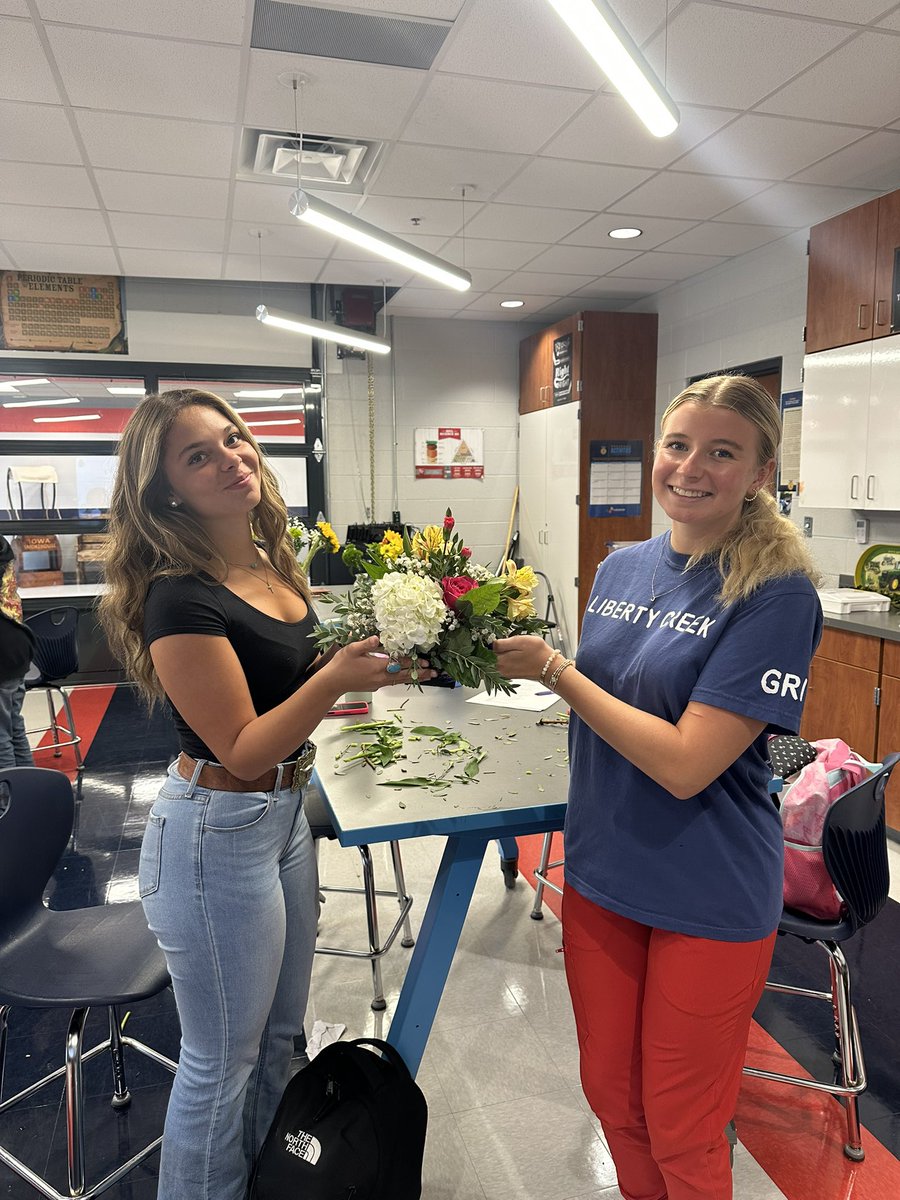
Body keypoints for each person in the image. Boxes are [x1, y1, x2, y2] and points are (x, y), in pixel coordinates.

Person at [98, 388, 434, 1200]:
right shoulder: (180, 594)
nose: (230, 459)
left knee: (278, 1039)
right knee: (221, 1061)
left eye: (232, 439)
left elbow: (292, 686)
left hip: (280, 814)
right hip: (214, 829)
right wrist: (335, 679)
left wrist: (378, 663)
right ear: (166, 490)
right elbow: (242, 745)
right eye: (198, 456)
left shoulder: (269, 563)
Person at [494, 375, 823, 1200]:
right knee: (613, 1095)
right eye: (678, 445)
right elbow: (613, 707)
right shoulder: (621, 566)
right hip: (605, 871)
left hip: (705, 888)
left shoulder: (777, 595)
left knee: (683, 1122)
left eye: (722, 452)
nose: (691, 467)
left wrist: (555, 672)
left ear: (760, 472)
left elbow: (685, 763)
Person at [0, 535, 35, 769]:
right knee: (14, 727)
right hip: (17, 644)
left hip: (3, 652)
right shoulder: (3, 548)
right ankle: (27, 785)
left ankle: (8, 791)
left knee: (1, 737)